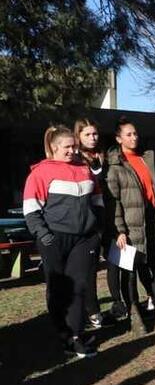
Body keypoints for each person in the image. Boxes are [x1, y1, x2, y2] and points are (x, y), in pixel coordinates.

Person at [23, 125, 102, 357]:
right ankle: (63, 334)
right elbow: (31, 210)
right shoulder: (40, 172)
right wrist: (44, 236)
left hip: (83, 240)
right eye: (67, 147)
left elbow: (98, 202)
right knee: (59, 289)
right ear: (54, 147)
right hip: (54, 239)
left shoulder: (84, 169)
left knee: (78, 287)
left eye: (73, 146)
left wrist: (96, 231)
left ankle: (75, 336)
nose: (72, 150)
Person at [105, 117, 155, 336]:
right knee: (129, 274)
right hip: (129, 228)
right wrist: (119, 229)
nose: (134, 138)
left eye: (135, 134)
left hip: (151, 222)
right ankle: (135, 316)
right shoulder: (114, 167)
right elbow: (114, 202)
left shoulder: (146, 159)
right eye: (128, 134)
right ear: (119, 138)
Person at [73, 118, 107, 329]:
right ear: (78, 137)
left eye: (94, 134)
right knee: (83, 269)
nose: (92, 138)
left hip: (104, 215)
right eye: (87, 134)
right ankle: (91, 310)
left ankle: (96, 308)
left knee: (95, 267)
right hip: (83, 220)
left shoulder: (103, 157)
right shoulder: (76, 160)